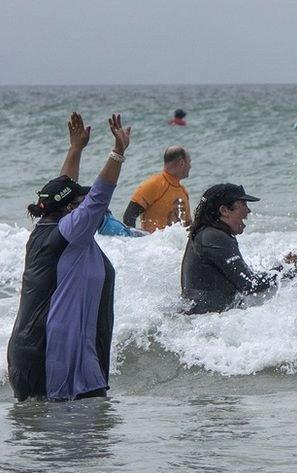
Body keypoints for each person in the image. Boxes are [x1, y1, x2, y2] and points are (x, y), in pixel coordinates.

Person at [7, 112, 131, 401]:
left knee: (50, 439)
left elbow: (64, 190)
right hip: (55, 352)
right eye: (80, 203)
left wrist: (75, 149)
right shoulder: (70, 233)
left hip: (33, 347)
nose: (86, 206)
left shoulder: (49, 228)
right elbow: (99, 196)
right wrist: (117, 153)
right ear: (70, 211)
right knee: (80, 437)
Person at [180, 183, 297, 314]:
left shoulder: (209, 234)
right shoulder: (214, 237)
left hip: (203, 320)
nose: (248, 211)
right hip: (205, 324)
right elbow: (249, 285)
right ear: (224, 210)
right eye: (243, 205)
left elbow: (245, 280)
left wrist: (282, 267)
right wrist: (287, 269)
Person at [123, 145, 192, 233]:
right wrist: (135, 243)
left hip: (174, 246)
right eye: (189, 162)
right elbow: (129, 217)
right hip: (152, 245)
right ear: (182, 163)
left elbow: (189, 227)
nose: (190, 166)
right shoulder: (153, 185)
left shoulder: (184, 192)